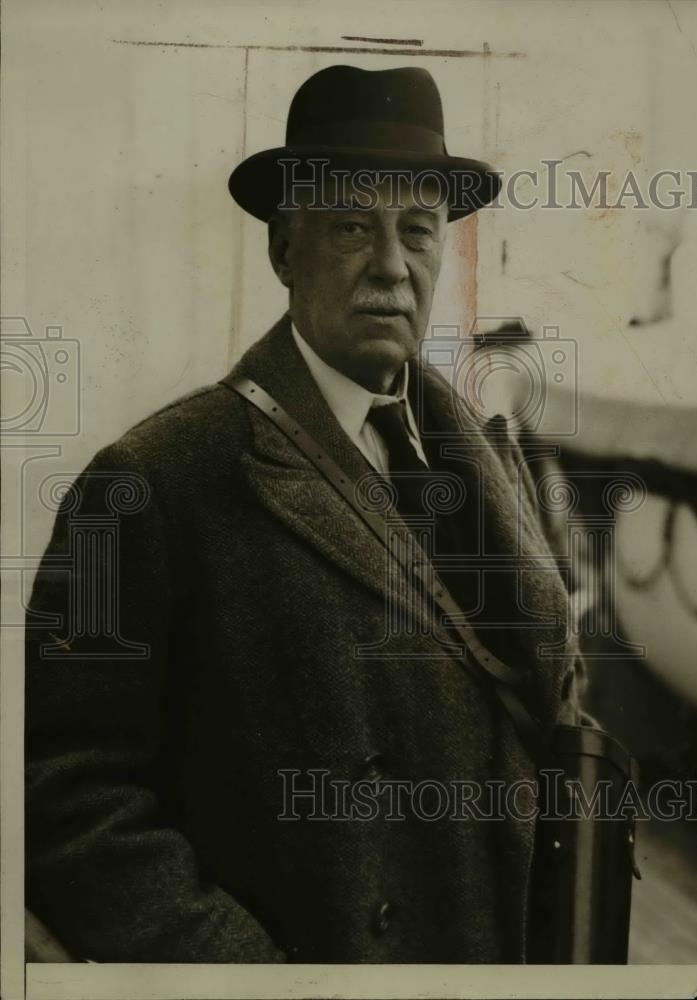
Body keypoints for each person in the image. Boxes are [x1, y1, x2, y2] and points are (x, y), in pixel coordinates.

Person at [25, 64, 590, 964]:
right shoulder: (152, 481)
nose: (391, 266)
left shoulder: (490, 460)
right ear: (285, 251)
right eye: (349, 228)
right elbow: (65, 792)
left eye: (418, 229)